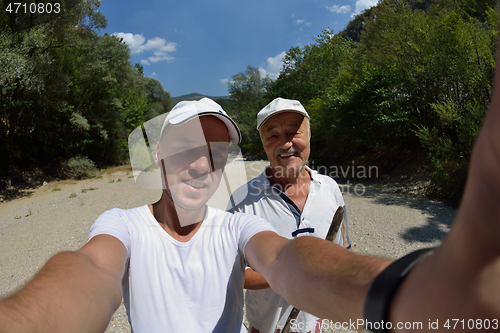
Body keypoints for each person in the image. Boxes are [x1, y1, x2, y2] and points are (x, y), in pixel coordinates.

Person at [1, 69, 500, 331]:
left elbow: (289, 257)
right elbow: (90, 273)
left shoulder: (233, 227)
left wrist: (406, 293)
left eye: (216, 151)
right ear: (158, 156)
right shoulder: (123, 225)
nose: (201, 164)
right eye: (186, 149)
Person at [227, 97, 351, 333]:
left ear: (309, 135)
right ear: (263, 143)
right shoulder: (242, 201)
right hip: (265, 327)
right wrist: (290, 272)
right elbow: (233, 275)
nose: (285, 144)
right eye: (273, 135)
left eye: (294, 132)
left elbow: (342, 251)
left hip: (315, 325)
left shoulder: (330, 189)